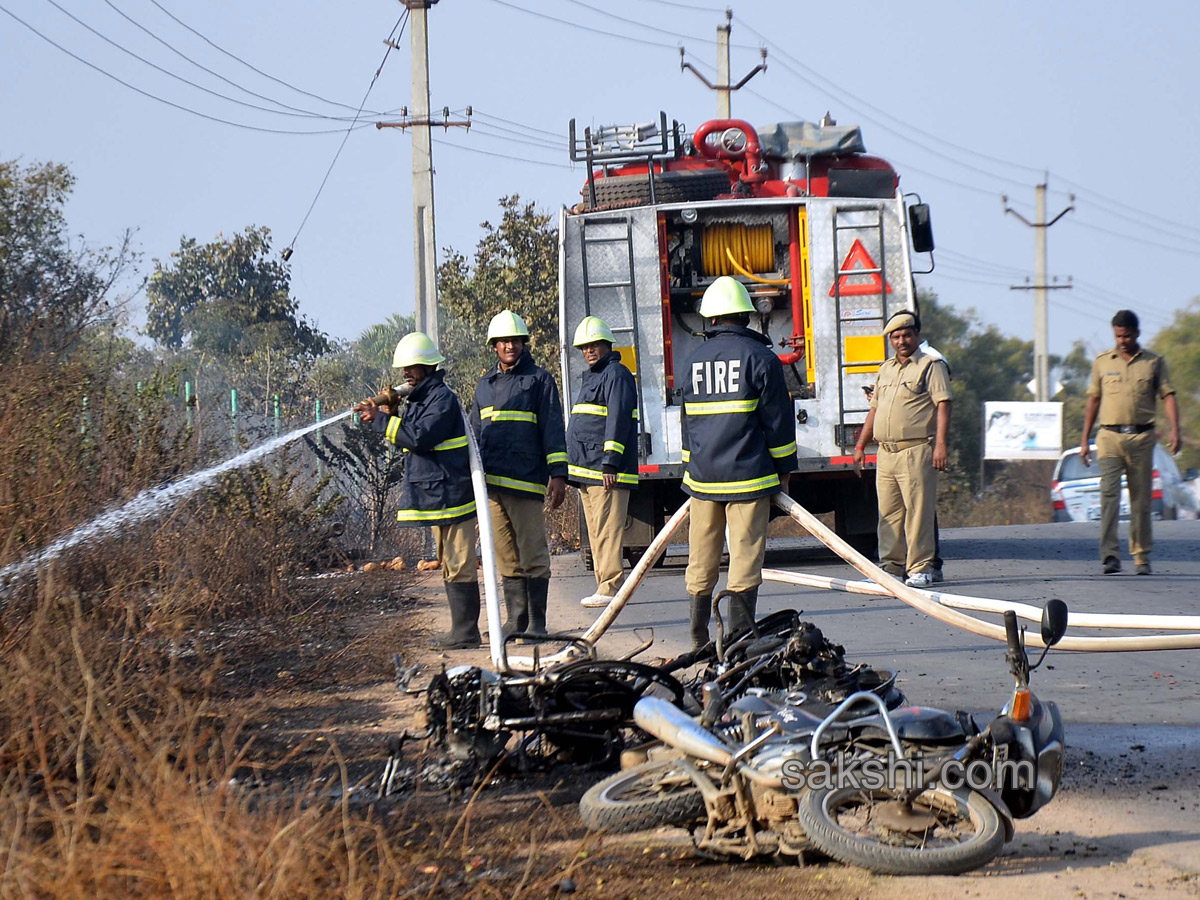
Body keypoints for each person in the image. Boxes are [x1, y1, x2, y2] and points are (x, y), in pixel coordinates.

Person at [681, 276, 798, 650]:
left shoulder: (692, 361)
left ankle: (698, 638)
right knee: (744, 559)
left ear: (711, 320)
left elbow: (689, 422)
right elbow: (777, 423)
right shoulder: (762, 359)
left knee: (701, 559)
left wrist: (692, 469)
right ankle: (736, 640)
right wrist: (784, 472)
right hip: (748, 478)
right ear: (747, 318)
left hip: (702, 480)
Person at [355, 332, 481, 649]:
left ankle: (466, 632)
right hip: (438, 494)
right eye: (404, 370)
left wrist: (381, 422)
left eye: (411, 368)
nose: (406, 374)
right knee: (450, 563)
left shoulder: (441, 399)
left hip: (452, 493)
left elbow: (420, 437)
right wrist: (392, 412)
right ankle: (459, 630)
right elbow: (409, 433)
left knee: (460, 563)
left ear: (427, 366)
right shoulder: (420, 399)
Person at [474, 309, 569, 638]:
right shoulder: (484, 386)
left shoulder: (539, 380)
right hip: (492, 486)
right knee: (505, 556)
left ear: (523, 343)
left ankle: (537, 624)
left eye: (515, 340)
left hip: (526, 481)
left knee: (533, 553)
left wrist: (558, 474)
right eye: (503, 341)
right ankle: (516, 621)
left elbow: (553, 429)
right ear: (494, 345)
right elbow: (475, 435)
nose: (509, 345)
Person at [853, 310, 951, 588]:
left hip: (917, 450)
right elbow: (875, 408)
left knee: (918, 512)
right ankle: (891, 567)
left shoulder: (932, 366)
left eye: (907, 334)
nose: (901, 340)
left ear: (917, 336)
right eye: (895, 337)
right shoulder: (886, 369)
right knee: (889, 513)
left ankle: (921, 568)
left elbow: (944, 404)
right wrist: (861, 444)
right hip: (886, 453)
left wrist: (941, 445)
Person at [1079, 309, 1181, 576]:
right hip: (1109, 438)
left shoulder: (1154, 362)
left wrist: (1175, 431)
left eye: (1126, 335)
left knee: (1141, 500)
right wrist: (1084, 440)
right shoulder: (1102, 362)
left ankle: (1141, 556)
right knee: (1109, 496)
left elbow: (1168, 395)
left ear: (1137, 333)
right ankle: (1110, 555)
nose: (1122, 340)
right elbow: (1093, 400)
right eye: (1117, 336)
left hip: (1142, 438)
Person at [566, 316, 639, 609]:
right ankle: (603, 585)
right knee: (597, 531)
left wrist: (611, 462)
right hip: (587, 469)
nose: (589, 351)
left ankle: (610, 586)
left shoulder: (616, 374)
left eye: (594, 345)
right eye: (584, 347)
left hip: (604, 470)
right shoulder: (594, 377)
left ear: (607, 344)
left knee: (607, 531)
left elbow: (618, 420)